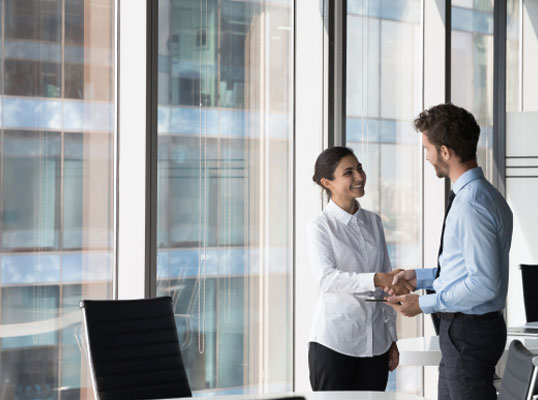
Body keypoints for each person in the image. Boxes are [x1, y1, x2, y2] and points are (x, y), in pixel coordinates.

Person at [386, 103, 513, 400]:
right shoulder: (484, 195)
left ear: (445, 152)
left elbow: (483, 284)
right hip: (467, 332)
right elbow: (466, 269)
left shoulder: (471, 204)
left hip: (468, 333)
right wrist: (419, 278)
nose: (427, 157)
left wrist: (424, 304)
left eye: (427, 149)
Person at [307, 146, 413, 391]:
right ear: (327, 182)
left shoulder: (374, 222)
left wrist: (390, 339)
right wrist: (376, 278)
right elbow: (328, 279)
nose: (359, 177)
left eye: (360, 168)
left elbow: (387, 287)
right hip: (334, 344)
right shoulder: (320, 227)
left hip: (376, 345)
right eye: (349, 172)